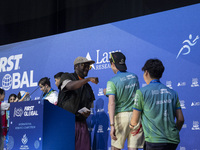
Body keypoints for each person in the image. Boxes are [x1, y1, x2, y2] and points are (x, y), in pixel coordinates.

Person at [130, 59, 184, 150]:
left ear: (146, 72)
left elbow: (134, 121)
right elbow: (181, 119)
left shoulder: (141, 92)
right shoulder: (173, 93)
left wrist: (131, 127)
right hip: (172, 141)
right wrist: (173, 132)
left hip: (153, 141)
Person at [104, 52, 144, 150]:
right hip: (136, 116)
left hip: (121, 117)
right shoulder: (134, 77)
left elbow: (111, 103)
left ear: (113, 64)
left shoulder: (112, 81)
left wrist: (112, 125)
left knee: (115, 148)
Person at [57, 56, 99, 150]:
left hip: (81, 124)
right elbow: (70, 86)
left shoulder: (88, 87)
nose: (87, 68)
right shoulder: (67, 76)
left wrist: (87, 113)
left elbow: (90, 105)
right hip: (66, 123)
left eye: (89, 66)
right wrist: (87, 79)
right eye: (84, 65)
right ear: (76, 66)